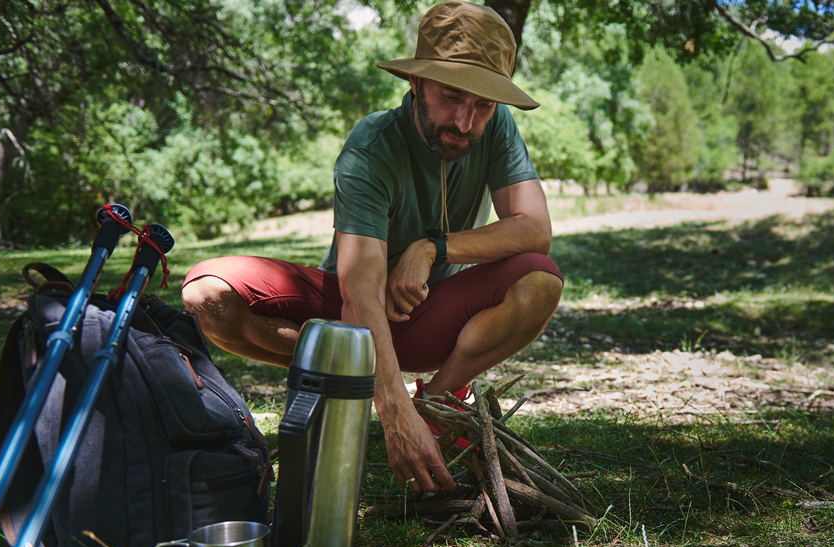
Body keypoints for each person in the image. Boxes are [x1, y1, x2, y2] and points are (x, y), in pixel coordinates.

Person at [181, 1, 562, 497]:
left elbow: (534, 229)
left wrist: (433, 247)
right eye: (451, 97)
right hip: (348, 322)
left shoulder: (497, 129)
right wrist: (390, 407)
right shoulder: (371, 146)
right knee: (207, 295)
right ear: (416, 83)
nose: (466, 122)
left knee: (540, 278)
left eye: (484, 105)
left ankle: (439, 402)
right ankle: (355, 380)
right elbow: (359, 288)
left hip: (434, 317)